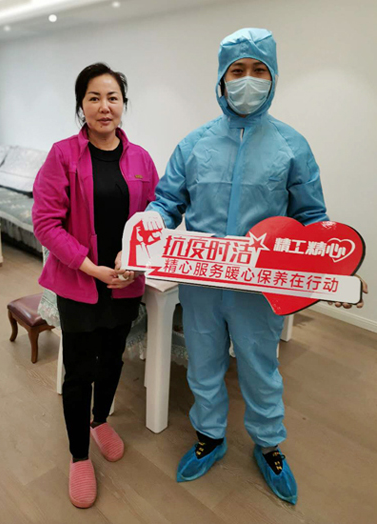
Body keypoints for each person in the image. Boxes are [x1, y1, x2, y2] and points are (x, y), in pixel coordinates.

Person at [146, 28, 367, 504]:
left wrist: (336, 269)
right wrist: (146, 227)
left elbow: (313, 218)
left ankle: (268, 445)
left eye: (259, 70)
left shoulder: (291, 145)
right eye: (238, 71)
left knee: (260, 367)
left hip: (260, 287)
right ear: (221, 79)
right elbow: (166, 202)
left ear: (274, 77)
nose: (248, 80)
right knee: (204, 363)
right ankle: (210, 436)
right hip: (202, 282)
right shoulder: (194, 144)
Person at [32, 63, 158, 509]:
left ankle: (100, 420)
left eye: (113, 98)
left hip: (124, 283)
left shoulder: (141, 159)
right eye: (94, 97)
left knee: (112, 359)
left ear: (124, 104)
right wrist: (90, 267)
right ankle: (79, 455)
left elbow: (153, 219)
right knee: (79, 370)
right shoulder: (63, 155)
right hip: (79, 283)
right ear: (81, 105)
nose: (105, 107)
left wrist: (134, 260)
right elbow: (45, 223)